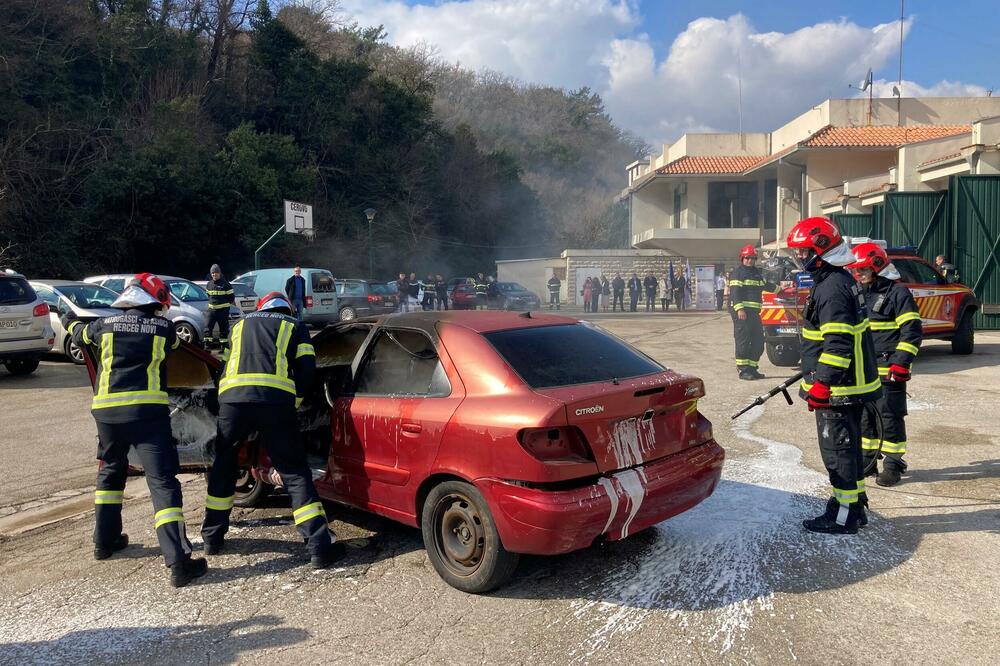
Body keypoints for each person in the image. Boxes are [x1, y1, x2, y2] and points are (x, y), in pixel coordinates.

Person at [64, 274, 207, 587]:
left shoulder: (102, 326)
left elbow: (77, 337)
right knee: (161, 482)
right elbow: (177, 349)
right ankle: (178, 562)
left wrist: (71, 322)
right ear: (153, 301)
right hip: (147, 415)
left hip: (107, 414)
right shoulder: (164, 329)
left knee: (111, 472)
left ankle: (105, 541)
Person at [201, 291, 344, 568]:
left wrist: (221, 400)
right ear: (288, 309)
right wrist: (297, 400)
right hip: (274, 401)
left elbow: (223, 367)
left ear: (261, 307)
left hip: (233, 401)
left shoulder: (239, 325)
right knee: (293, 471)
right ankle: (319, 547)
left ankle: (212, 538)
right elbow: (306, 369)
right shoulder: (295, 326)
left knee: (224, 466)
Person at [787, 217, 881, 535]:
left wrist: (822, 384)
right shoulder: (837, 280)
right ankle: (853, 505)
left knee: (837, 453)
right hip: (848, 384)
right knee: (849, 450)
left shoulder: (832, 288)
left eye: (802, 252)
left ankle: (844, 517)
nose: (798, 258)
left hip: (840, 388)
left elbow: (838, 342)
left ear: (821, 250)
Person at [849, 243, 923, 487]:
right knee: (865, 419)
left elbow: (911, 331)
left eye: (862, 270)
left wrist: (901, 363)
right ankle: (868, 461)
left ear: (877, 268)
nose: (857, 275)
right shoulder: (858, 293)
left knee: (890, 418)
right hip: (864, 372)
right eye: (855, 271)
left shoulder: (897, 294)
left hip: (889, 370)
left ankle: (893, 464)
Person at [729, 246, 776, 380]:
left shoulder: (756, 273)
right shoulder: (738, 273)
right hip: (742, 313)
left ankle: (752, 368)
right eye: (748, 258)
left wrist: (781, 289)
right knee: (743, 341)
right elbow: (735, 293)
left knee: (758, 342)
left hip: (754, 313)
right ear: (742, 258)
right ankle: (743, 370)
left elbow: (766, 285)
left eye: (753, 258)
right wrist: (740, 309)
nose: (750, 260)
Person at [204, 264, 235, 349]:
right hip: (211, 311)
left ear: (219, 273)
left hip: (222, 312)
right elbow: (208, 295)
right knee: (207, 329)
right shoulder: (209, 284)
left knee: (224, 331)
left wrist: (224, 307)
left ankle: (223, 348)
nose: (214, 274)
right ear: (211, 274)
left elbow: (231, 298)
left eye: (216, 273)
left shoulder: (226, 284)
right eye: (213, 273)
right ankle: (207, 348)